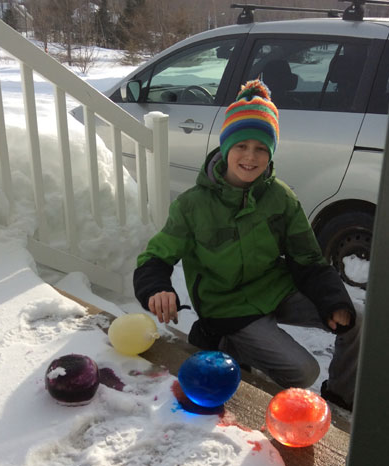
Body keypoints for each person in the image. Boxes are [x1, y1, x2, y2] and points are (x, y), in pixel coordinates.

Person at [133, 79, 360, 411]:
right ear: (226, 148)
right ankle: (226, 342)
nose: (250, 157)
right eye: (241, 146)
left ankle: (341, 397)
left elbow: (308, 257)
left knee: (360, 317)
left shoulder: (281, 197)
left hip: (273, 287)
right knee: (304, 370)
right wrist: (156, 288)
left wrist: (333, 301)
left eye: (261, 148)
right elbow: (156, 255)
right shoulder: (193, 204)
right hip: (228, 307)